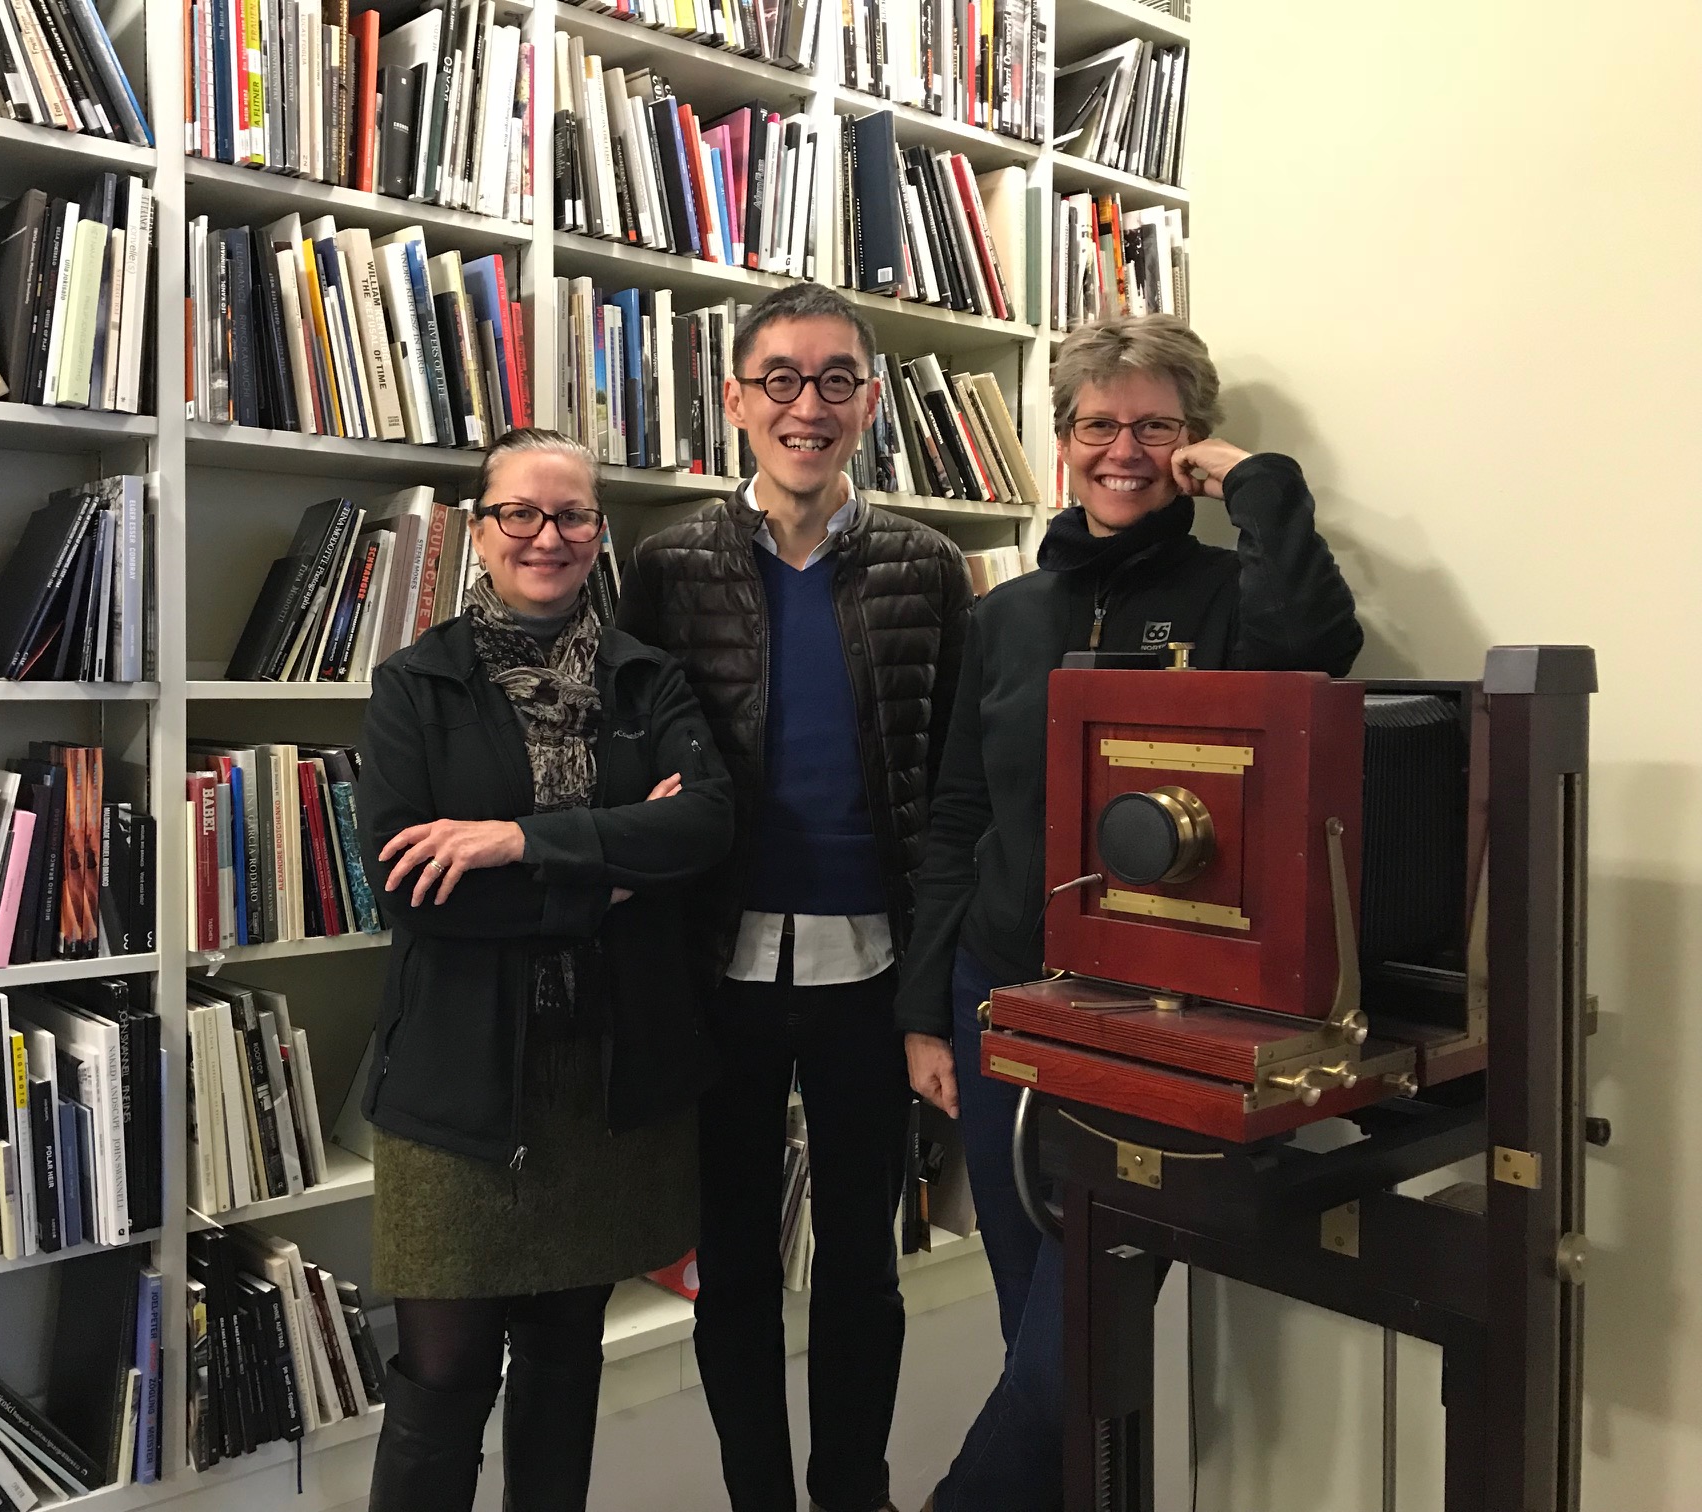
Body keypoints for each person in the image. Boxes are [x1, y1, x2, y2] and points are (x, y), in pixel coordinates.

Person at [896, 314, 1364, 1510]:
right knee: (1037, 1337)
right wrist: (925, 1011)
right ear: (1061, 441)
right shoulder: (1004, 614)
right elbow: (957, 818)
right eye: (1098, 424)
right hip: (1000, 1001)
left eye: (1155, 427)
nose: (1123, 450)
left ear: (1191, 444)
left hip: (1155, 1021)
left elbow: (1317, 655)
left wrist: (1258, 485)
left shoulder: (1230, 597)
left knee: (1070, 1358)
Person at [619, 282, 974, 1512]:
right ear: (735, 399)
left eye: (833, 380)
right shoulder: (668, 567)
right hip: (718, 969)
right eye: (779, 378)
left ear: (869, 402)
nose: (805, 406)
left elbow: (953, 787)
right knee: (733, 1267)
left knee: (862, 1265)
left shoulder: (929, 567)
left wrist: (933, 988)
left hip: (871, 975)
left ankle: (851, 1493)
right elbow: (636, 761)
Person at [356, 428, 734, 1512]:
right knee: (441, 1381)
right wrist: (609, 878)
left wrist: (516, 841)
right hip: (459, 1085)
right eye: (519, 513)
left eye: (571, 515)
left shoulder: (645, 678)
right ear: (479, 532)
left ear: (599, 534)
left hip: (604, 1081)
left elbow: (705, 828)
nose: (546, 536)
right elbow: (413, 889)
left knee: (566, 1361)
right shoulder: (415, 684)